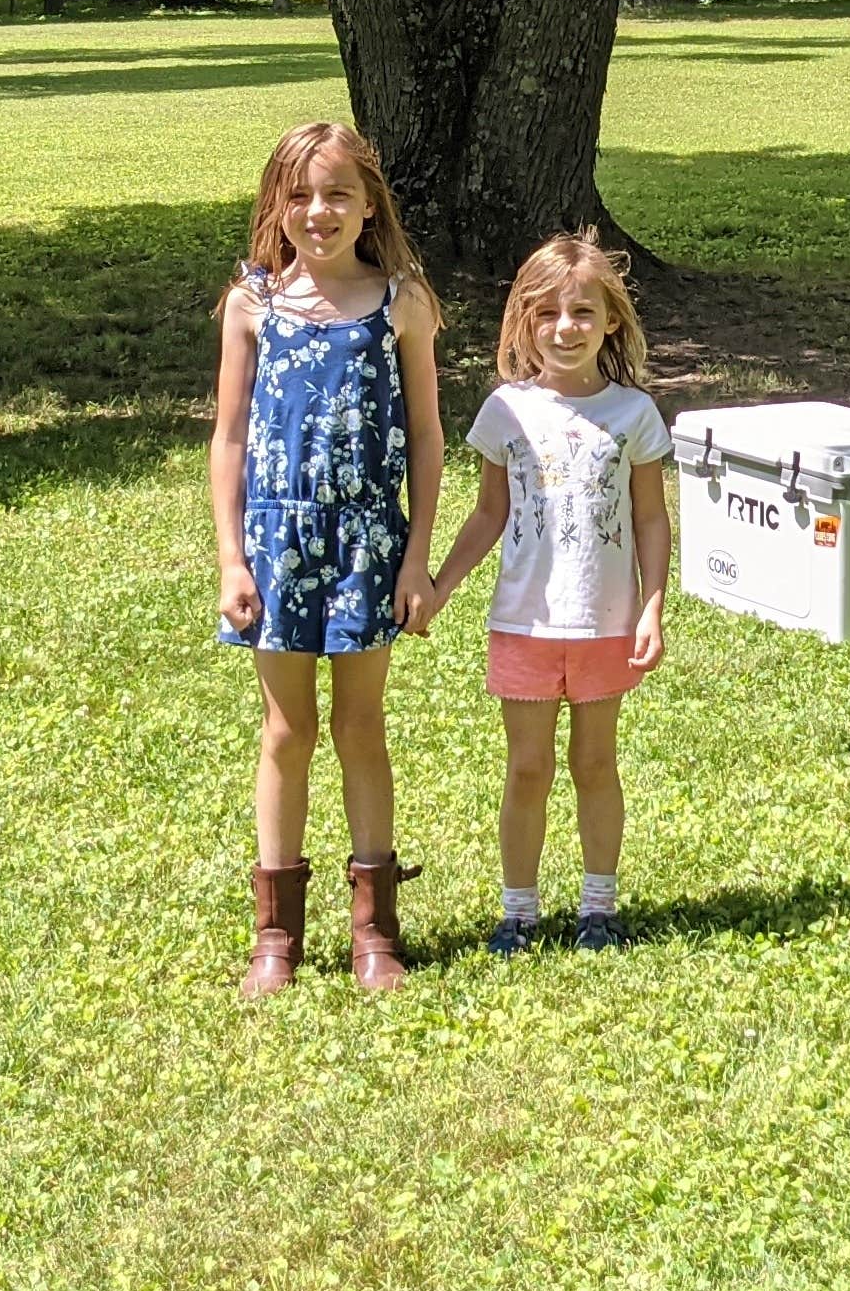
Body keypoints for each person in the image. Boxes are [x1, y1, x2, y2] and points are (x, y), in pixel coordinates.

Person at [208, 119, 443, 996]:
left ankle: (375, 930)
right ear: (277, 206)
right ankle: (276, 935)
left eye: (339, 193)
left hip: (368, 543)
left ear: (369, 203)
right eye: (301, 195)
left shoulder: (400, 303)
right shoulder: (253, 305)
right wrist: (232, 558)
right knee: (286, 730)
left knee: (361, 726)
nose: (320, 211)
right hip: (277, 544)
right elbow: (230, 437)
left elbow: (426, 436)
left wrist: (415, 559)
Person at [425, 231, 673, 955]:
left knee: (596, 765)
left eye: (583, 312)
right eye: (547, 314)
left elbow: (651, 519)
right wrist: (439, 588)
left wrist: (653, 605)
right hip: (524, 625)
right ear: (524, 323)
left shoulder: (634, 415)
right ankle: (519, 913)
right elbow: (488, 514)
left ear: (611, 322)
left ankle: (599, 908)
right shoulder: (507, 412)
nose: (566, 328)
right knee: (527, 768)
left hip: (605, 625)